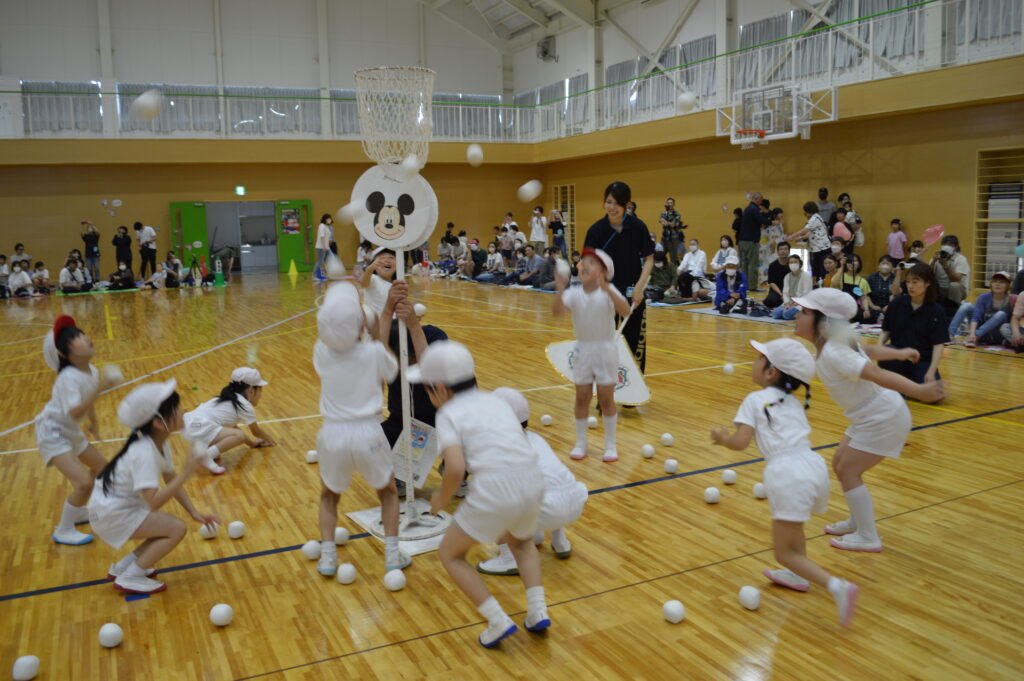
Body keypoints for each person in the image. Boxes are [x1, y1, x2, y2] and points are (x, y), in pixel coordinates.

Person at [710, 339, 859, 627]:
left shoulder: (754, 400)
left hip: (786, 473)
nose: (753, 363)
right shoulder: (793, 401)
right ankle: (797, 575)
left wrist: (722, 437)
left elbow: (740, 443)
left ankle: (837, 586)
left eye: (758, 359)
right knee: (795, 529)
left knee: (782, 552)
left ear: (770, 373)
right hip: (813, 466)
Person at [413, 341, 549, 649]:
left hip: (494, 489)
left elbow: (456, 468)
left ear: (440, 389)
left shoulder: (448, 413)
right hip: (533, 480)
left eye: (427, 391)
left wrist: (440, 501)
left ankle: (497, 620)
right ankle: (537, 611)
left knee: (451, 554)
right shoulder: (496, 400)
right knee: (522, 543)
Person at [794, 288, 944, 552]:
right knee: (840, 464)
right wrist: (898, 353)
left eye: (804, 312)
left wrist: (919, 390)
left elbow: (874, 373)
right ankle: (858, 520)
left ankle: (868, 536)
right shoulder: (835, 344)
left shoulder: (833, 352)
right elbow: (868, 351)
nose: (797, 315)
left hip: (882, 416)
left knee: (849, 470)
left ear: (824, 322)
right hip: (867, 414)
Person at [313, 282, 410, 576]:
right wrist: (375, 326)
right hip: (368, 431)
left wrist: (358, 320)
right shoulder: (373, 353)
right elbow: (392, 372)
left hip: (332, 434)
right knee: (389, 493)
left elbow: (342, 333)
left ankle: (328, 557)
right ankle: (392, 556)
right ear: (358, 326)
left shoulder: (321, 351)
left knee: (329, 496)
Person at [88, 380, 218, 594]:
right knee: (176, 528)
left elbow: (170, 478)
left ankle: (122, 568)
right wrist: (188, 471)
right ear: (158, 423)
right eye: (176, 409)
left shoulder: (157, 443)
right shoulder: (144, 452)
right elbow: (154, 502)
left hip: (111, 509)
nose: (182, 411)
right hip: (111, 514)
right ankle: (131, 577)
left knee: (165, 526)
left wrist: (194, 512)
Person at [479, 387, 588, 575]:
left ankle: (509, 558)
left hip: (548, 509)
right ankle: (559, 541)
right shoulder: (535, 438)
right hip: (574, 502)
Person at [34, 316, 121, 545]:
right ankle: (63, 529)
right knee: (83, 482)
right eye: (77, 338)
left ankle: (79, 507)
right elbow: (74, 411)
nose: (85, 338)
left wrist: (94, 423)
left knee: (101, 467)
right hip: (52, 433)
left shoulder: (91, 370)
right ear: (65, 353)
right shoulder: (68, 378)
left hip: (70, 431)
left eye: (82, 334)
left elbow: (87, 402)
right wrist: (103, 387)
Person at [553, 248, 631, 462]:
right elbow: (557, 312)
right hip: (583, 350)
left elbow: (625, 311)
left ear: (604, 272)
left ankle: (610, 445)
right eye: (583, 261)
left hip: (605, 350)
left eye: (592, 263)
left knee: (606, 399)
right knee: (582, 397)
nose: (585, 265)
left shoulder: (608, 292)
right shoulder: (574, 293)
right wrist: (560, 289)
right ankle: (581, 443)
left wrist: (608, 289)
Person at [583, 181, 654, 372]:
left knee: (634, 343)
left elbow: (649, 259)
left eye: (617, 203)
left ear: (626, 204)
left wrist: (639, 288)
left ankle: (632, 389)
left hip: (633, 294)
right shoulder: (596, 231)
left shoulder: (638, 227)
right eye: (608, 202)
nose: (612, 207)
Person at [182, 367, 276, 475]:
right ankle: (205, 456)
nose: (260, 396)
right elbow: (255, 431)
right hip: (200, 426)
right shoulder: (245, 406)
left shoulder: (232, 398)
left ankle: (204, 451)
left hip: (192, 425)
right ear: (251, 391)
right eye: (260, 390)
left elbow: (232, 428)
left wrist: (252, 443)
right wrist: (269, 439)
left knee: (220, 450)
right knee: (238, 435)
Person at [877, 263, 948, 393]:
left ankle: (903, 384)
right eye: (908, 282)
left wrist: (931, 371)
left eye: (915, 282)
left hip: (922, 360)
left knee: (935, 394)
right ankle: (904, 385)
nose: (910, 286)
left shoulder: (937, 311)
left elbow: (938, 345)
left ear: (927, 283)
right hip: (898, 355)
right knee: (887, 353)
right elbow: (885, 331)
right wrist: (879, 349)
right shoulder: (897, 304)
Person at [948, 271, 1016, 347]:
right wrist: (972, 333)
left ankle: (974, 337)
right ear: (991, 284)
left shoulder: (1013, 299)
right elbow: (975, 318)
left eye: (1002, 282)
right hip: (981, 334)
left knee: (1001, 314)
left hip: (998, 335)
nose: (997, 284)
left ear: (1008, 285)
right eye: (995, 281)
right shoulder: (983, 297)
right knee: (966, 305)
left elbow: (1016, 319)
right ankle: (949, 335)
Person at [787, 202, 831, 282]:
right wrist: (799, 238)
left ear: (808, 211)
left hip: (822, 248)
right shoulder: (815, 219)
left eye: (805, 211)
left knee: (823, 270)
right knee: (815, 269)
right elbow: (809, 234)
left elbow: (805, 230)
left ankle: (825, 287)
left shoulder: (815, 218)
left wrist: (792, 236)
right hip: (816, 249)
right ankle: (815, 286)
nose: (804, 214)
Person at [738, 193, 772, 291]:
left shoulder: (747, 209)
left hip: (743, 241)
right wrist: (771, 221)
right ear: (756, 199)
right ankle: (752, 287)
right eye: (761, 199)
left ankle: (744, 286)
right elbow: (761, 220)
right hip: (751, 241)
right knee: (752, 264)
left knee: (744, 265)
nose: (761, 201)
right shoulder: (754, 209)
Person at [830, 253, 875, 323]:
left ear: (859, 264)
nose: (852, 263)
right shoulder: (841, 276)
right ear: (846, 264)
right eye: (849, 261)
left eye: (855, 261)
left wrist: (866, 310)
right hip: (840, 310)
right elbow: (834, 282)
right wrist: (841, 266)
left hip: (854, 311)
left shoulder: (862, 281)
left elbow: (863, 297)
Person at [932, 235, 970, 311]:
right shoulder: (937, 256)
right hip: (939, 288)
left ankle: (954, 311)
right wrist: (933, 261)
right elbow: (927, 275)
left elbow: (956, 279)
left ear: (955, 248)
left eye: (950, 245)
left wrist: (945, 266)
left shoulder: (961, 259)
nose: (946, 247)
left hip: (957, 290)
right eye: (945, 244)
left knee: (954, 285)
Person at [772, 255, 812, 320]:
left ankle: (801, 314)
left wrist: (797, 302)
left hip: (801, 303)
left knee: (786, 315)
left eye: (795, 262)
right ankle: (792, 312)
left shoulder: (806, 276)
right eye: (791, 262)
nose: (793, 264)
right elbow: (785, 292)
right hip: (790, 302)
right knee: (775, 314)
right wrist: (787, 303)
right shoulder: (787, 276)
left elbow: (807, 293)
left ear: (800, 264)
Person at [360, 247, 397, 318]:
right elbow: (363, 283)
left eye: (391, 258)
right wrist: (369, 269)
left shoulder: (395, 284)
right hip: (377, 324)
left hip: (393, 322)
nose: (387, 260)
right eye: (381, 258)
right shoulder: (373, 278)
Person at [758, 208, 787, 291]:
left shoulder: (780, 223)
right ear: (775, 215)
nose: (781, 215)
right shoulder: (773, 223)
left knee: (773, 263)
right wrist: (773, 247)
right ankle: (765, 281)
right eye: (780, 213)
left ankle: (774, 281)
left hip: (777, 246)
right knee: (767, 263)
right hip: (770, 247)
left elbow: (781, 234)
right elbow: (772, 237)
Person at [762, 241, 792, 309]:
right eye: (781, 249)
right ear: (778, 252)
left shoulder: (792, 264)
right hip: (777, 291)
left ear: (789, 251)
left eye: (785, 249)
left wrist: (787, 294)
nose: (783, 251)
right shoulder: (772, 265)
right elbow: (772, 283)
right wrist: (781, 294)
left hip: (790, 291)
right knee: (771, 301)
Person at [314, 214, 334, 282]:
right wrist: (324, 246)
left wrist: (327, 246)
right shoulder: (321, 226)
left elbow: (327, 237)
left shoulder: (326, 226)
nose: (330, 220)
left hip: (326, 247)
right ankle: (315, 275)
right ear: (325, 219)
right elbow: (322, 237)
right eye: (329, 219)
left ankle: (326, 274)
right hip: (321, 247)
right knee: (320, 261)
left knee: (327, 260)